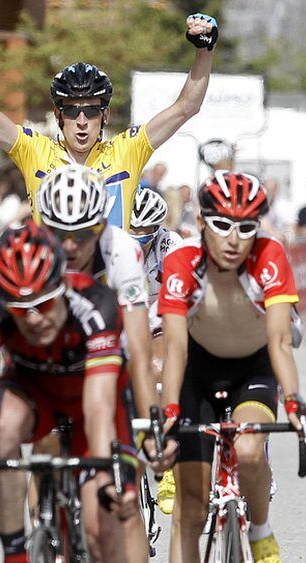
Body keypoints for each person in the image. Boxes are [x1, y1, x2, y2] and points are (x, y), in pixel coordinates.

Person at [0, 219, 140, 563]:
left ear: (62, 284)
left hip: (90, 402)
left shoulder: (96, 305)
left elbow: (100, 407)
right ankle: (15, 560)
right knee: (0, 422)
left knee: (104, 531)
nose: (32, 319)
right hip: (33, 395)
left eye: (44, 304)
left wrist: (108, 479)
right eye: (19, 308)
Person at [158, 171, 306, 563]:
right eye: (222, 224)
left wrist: (295, 401)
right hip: (196, 371)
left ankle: (261, 533)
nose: (234, 239)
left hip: (253, 368)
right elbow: (173, 348)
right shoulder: (182, 262)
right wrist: (168, 409)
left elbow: (280, 342)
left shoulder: (270, 257)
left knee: (249, 450)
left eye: (247, 227)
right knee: (190, 506)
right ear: (202, 221)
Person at [36, 165, 177, 563]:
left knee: (123, 502)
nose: (71, 245)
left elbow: (137, 344)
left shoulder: (123, 252)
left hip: (108, 366)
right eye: (61, 233)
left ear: (102, 224)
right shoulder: (33, 249)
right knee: (39, 455)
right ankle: (43, 551)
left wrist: (152, 422)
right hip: (56, 368)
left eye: (84, 233)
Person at [0, 7, 219, 229]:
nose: (81, 120)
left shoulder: (127, 149)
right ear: (58, 115)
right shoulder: (35, 150)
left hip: (111, 290)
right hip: (54, 289)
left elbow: (186, 107)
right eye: (71, 111)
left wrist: (204, 51)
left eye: (91, 111)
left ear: (105, 115)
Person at [129, 187, 183, 516]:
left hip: (160, 320)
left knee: (160, 371)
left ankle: (169, 468)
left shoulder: (170, 245)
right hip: (127, 323)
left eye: (145, 233)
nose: (139, 239)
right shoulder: (113, 240)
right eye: (133, 232)